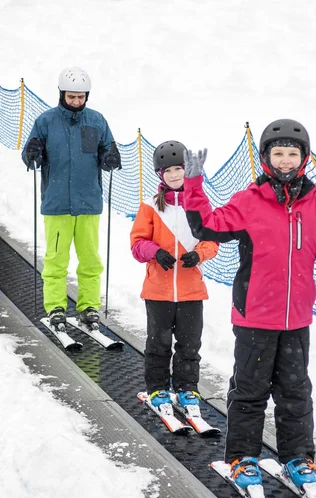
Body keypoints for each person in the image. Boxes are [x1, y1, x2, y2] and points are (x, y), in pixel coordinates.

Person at [183, 119, 316, 490]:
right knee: (250, 391)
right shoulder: (249, 202)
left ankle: (297, 457)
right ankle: (241, 458)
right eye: (278, 153)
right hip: (255, 316)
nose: (285, 161)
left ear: (303, 158)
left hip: (297, 319)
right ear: (266, 158)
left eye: (292, 154)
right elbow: (206, 226)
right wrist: (193, 186)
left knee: (295, 391)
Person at [22, 66, 121, 330]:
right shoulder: (46, 122)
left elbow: (106, 150)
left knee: (90, 259)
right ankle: (55, 306)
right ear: (61, 94)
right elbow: (31, 156)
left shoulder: (97, 121)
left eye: (81, 97)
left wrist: (110, 157)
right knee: (56, 259)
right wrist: (32, 153)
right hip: (57, 204)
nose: (76, 102)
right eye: (71, 97)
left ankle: (89, 306)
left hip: (88, 203)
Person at [130, 140, 218, 409]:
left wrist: (199, 254)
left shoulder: (199, 205)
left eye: (178, 169)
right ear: (160, 175)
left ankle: (187, 387)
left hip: (191, 290)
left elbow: (212, 240)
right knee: (158, 344)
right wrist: (155, 252)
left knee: (190, 345)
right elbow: (137, 243)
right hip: (158, 291)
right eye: (167, 171)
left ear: (185, 170)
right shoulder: (150, 207)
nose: (174, 175)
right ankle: (157, 388)